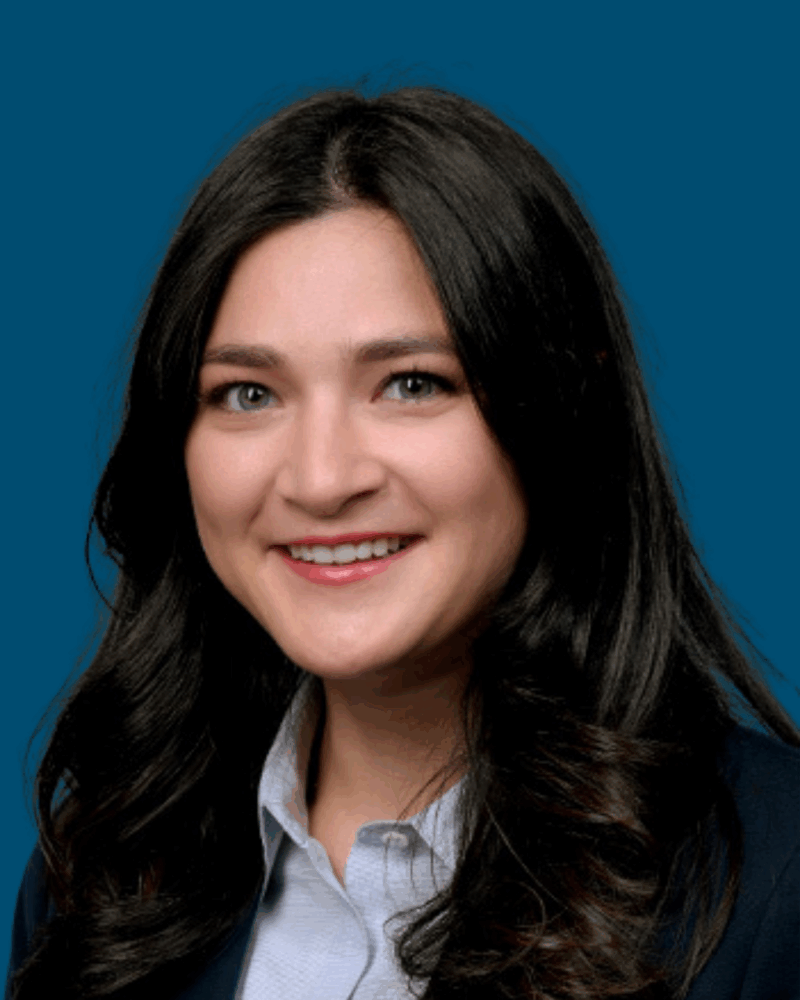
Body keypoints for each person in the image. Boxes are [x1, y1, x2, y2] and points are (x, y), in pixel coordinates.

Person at [5, 84, 799, 1000]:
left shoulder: (775, 883)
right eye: (247, 395)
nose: (320, 478)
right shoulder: (103, 872)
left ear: (565, 410)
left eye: (412, 383)